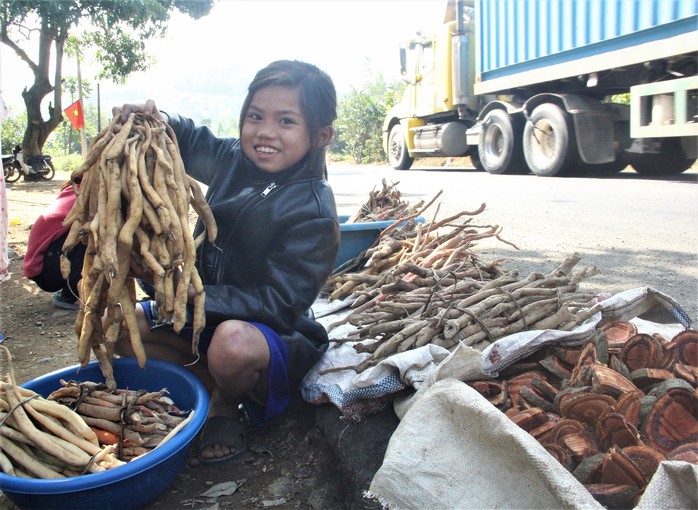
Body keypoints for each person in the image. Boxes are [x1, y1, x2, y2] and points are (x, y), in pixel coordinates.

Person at [113, 59, 340, 463]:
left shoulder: (314, 210)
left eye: (286, 121)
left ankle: (223, 404)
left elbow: (277, 304)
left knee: (231, 344)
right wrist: (156, 119)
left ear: (321, 134)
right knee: (116, 326)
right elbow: (191, 139)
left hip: (267, 336)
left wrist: (187, 300)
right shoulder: (234, 158)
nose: (264, 132)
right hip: (203, 313)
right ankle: (206, 386)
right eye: (255, 116)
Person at [22, 182, 85, 309]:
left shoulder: (75, 187)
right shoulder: (85, 195)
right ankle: (71, 296)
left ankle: (72, 289)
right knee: (88, 234)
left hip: (43, 266)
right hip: (47, 272)